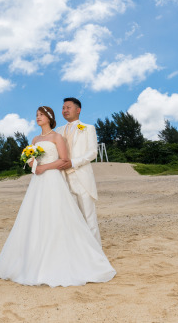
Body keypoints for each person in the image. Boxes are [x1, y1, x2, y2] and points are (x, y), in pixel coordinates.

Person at [0, 106, 115, 287]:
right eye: (36, 115)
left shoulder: (57, 137)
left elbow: (63, 160)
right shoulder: (35, 139)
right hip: (38, 182)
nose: (38, 118)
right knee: (35, 216)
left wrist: (44, 167)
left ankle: (77, 255)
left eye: (41, 115)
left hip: (53, 179)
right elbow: (33, 161)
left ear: (49, 117)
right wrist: (33, 163)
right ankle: (33, 258)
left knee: (59, 216)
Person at [58, 97, 102, 245]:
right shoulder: (58, 131)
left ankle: (96, 254)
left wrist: (73, 162)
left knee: (89, 218)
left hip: (82, 178)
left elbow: (92, 153)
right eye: (63, 108)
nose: (65, 110)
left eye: (68, 107)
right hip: (62, 179)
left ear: (78, 109)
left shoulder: (88, 128)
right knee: (71, 219)